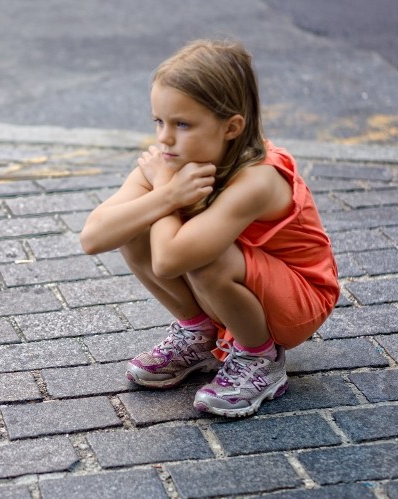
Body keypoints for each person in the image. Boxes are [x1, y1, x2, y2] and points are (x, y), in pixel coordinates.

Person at [79, 39, 339, 418]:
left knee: (206, 258)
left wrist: (165, 195)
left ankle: (259, 358)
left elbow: (169, 261)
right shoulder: (174, 160)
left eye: (182, 124)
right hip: (242, 287)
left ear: (231, 127)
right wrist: (165, 195)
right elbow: (93, 237)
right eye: (159, 121)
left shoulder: (258, 180)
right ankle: (200, 335)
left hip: (299, 299)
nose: (164, 138)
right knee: (132, 226)